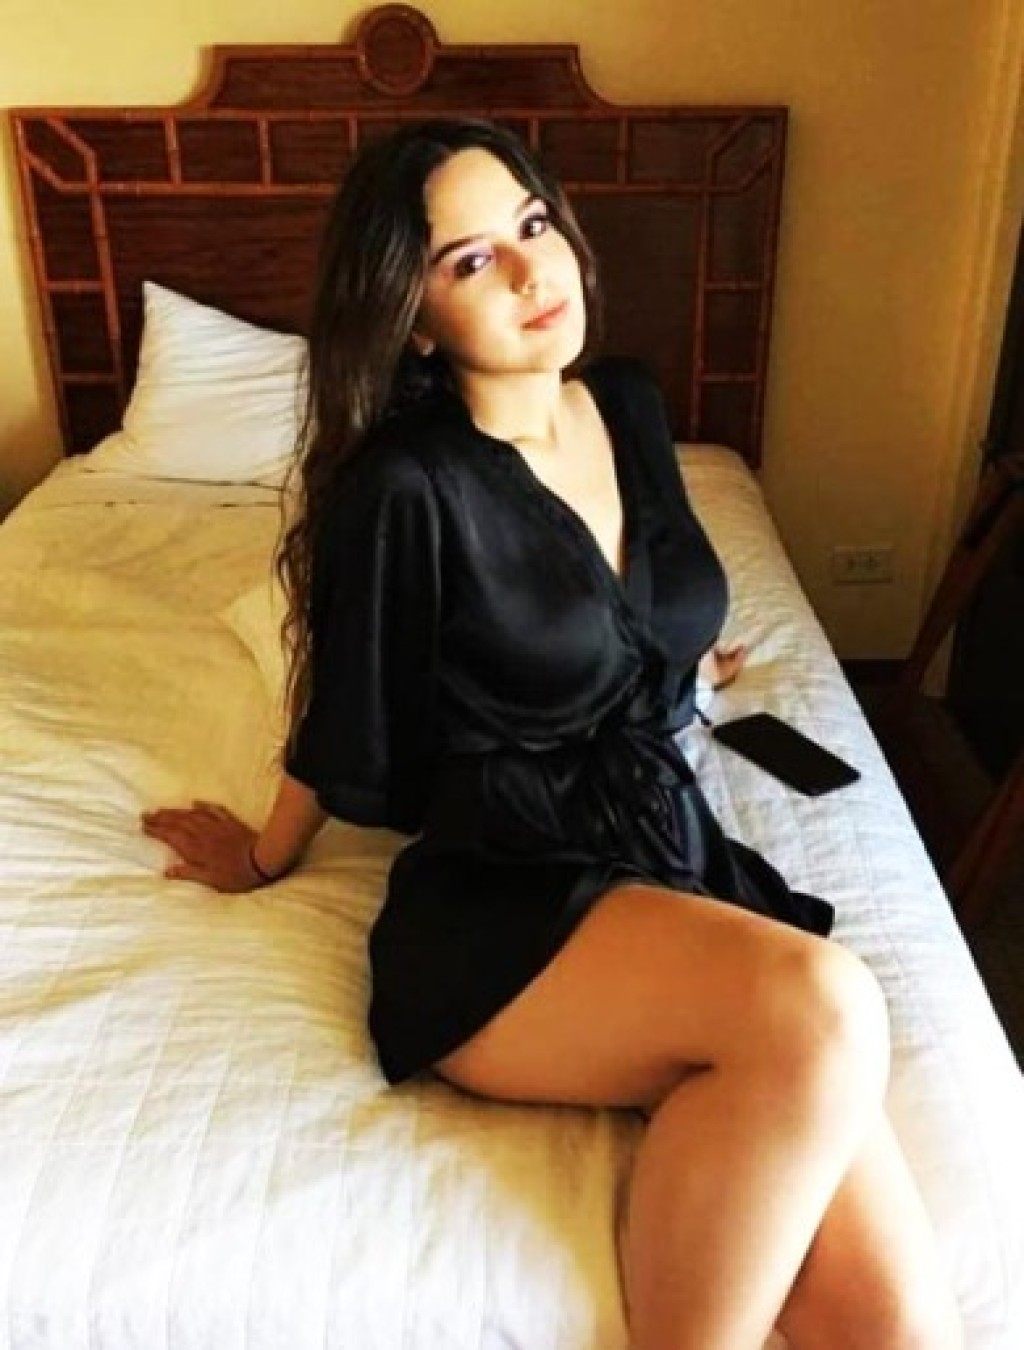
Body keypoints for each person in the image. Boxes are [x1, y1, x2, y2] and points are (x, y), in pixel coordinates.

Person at [142, 120, 962, 1350]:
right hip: (508, 903)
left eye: (531, 225)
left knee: (907, 1331)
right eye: (470, 260)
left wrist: (671, 658)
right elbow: (347, 719)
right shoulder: (406, 488)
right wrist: (262, 856)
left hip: (668, 856)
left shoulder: (626, 403)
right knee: (826, 1005)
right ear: (416, 319)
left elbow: (646, 592)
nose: (533, 271)